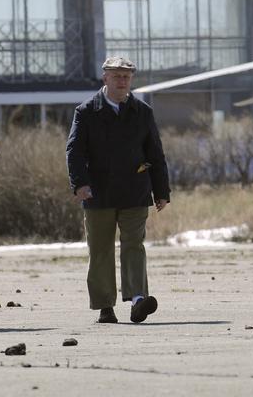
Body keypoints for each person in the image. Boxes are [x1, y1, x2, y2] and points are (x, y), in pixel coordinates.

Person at [66, 56, 171, 324]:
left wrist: (161, 191)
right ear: (105, 79)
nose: (122, 81)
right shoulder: (87, 111)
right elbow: (75, 150)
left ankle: (138, 300)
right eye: (117, 76)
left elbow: (155, 153)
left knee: (134, 245)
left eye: (126, 76)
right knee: (100, 250)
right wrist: (80, 184)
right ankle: (104, 307)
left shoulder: (142, 112)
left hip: (134, 190)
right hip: (97, 193)